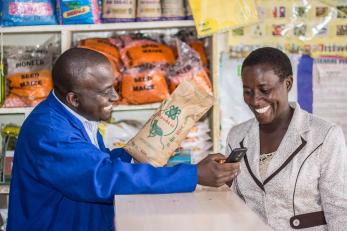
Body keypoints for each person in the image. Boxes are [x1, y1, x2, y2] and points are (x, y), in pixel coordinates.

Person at [7, 48, 240, 231]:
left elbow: (94, 162)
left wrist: (144, 148)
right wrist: (194, 174)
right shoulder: (49, 132)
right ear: (74, 98)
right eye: (105, 91)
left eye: (114, 87)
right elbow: (101, 178)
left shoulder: (74, 116)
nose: (115, 96)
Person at [226, 47, 347, 230]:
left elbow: (339, 211)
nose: (255, 100)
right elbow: (234, 204)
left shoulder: (324, 135)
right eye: (248, 92)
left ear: (288, 84)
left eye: (264, 90)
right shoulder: (236, 136)